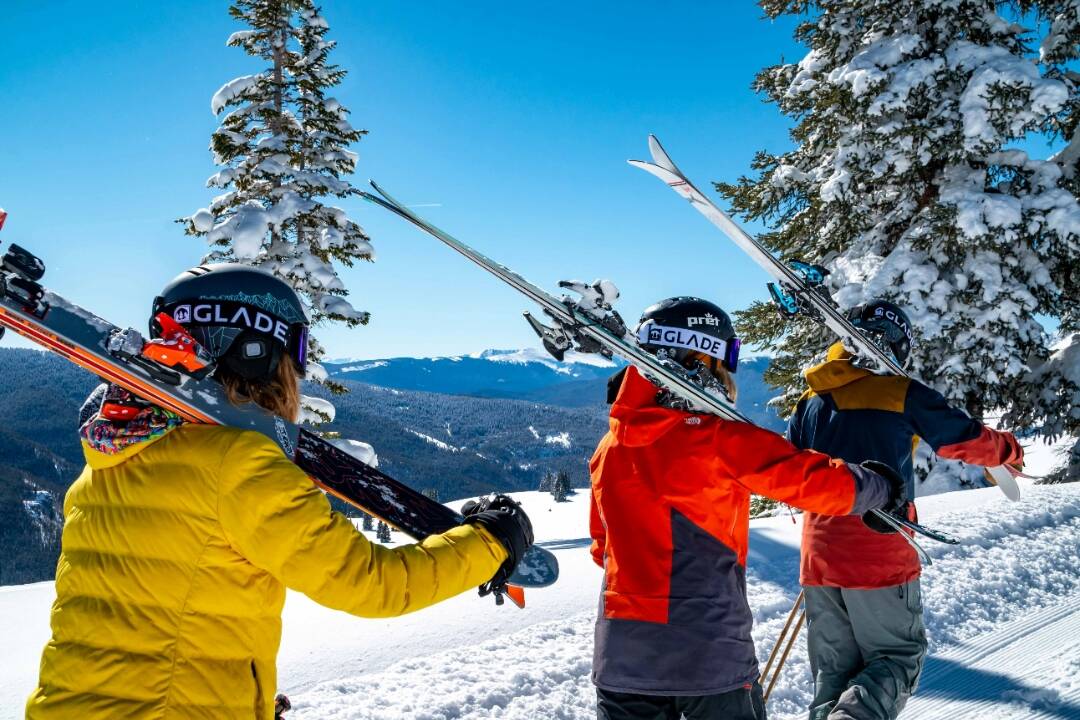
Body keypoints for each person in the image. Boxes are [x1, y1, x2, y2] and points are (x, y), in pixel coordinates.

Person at [26, 264, 534, 720]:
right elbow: (372, 584)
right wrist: (491, 542)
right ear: (256, 354)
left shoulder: (110, 457)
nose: (296, 376)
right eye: (293, 357)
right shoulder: (241, 464)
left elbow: (153, 615)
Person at [588, 296, 905, 720]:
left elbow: (601, 548)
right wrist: (880, 486)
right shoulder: (719, 440)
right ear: (701, 356)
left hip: (620, 659)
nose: (731, 374)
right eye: (727, 358)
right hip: (708, 654)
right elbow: (814, 481)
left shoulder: (608, 448)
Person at [788, 299, 1024, 720]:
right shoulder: (899, 392)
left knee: (833, 676)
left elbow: (793, 468)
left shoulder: (810, 400)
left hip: (817, 554)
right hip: (878, 546)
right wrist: (1008, 450)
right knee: (897, 657)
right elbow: (962, 439)